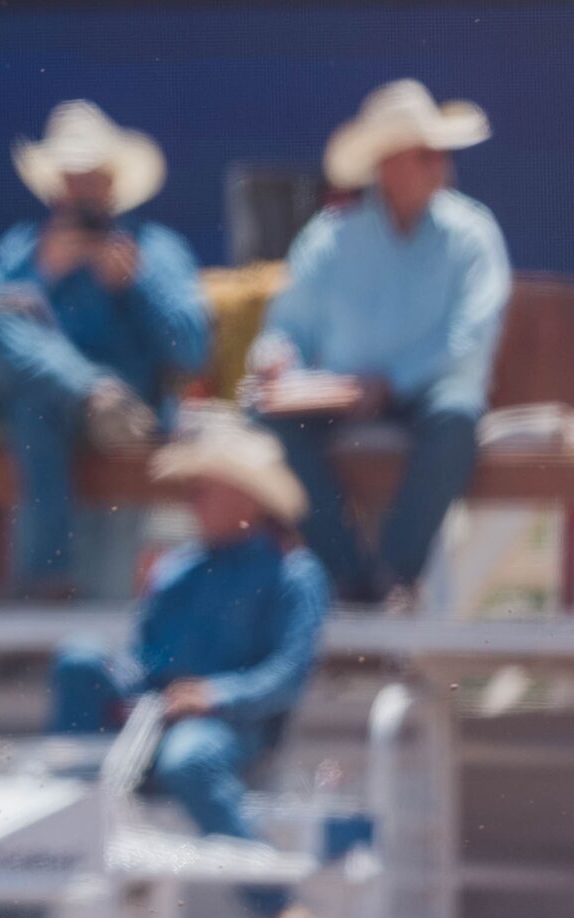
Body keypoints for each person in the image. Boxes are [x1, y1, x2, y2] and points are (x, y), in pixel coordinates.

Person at [49, 418, 330, 918]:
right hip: (155, 717)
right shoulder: (177, 568)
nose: (191, 499)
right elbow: (142, 657)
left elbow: (287, 676)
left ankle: (273, 902)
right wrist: (125, 685)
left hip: (232, 729)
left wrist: (213, 696)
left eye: (204, 488)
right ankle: (69, 852)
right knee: (79, 661)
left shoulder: (294, 574)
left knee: (190, 757)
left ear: (246, 498)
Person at [250, 79, 511, 611]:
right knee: (268, 420)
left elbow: (470, 338)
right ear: (388, 164)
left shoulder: (471, 233)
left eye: (440, 151)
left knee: (457, 416)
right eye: (426, 152)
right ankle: (349, 577)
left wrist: (390, 382)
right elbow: (286, 328)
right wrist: (276, 360)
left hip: (427, 393)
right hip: (341, 394)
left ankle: (392, 575)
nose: (442, 163)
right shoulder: (331, 236)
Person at [0, 101, 211, 599]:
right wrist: (41, 274)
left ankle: (45, 585)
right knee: (15, 364)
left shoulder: (152, 248)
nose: (80, 193)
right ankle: (91, 390)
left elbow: (193, 351)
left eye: (91, 179)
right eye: (72, 179)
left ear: (113, 182)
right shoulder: (26, 248)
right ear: (56, 186)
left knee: (35, 408)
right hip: (63, 414)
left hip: (130, 421)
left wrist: (135, 285)